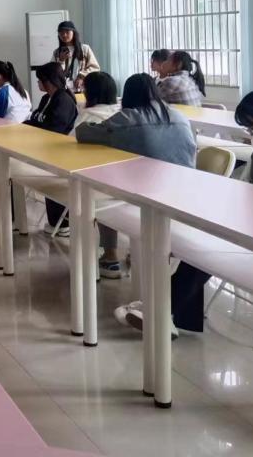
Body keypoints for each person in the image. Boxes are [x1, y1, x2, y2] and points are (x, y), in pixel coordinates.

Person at [77, 74, 204, 333]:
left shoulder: (127, 119)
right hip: (187, 197)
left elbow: (84, 133)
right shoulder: (178, 116)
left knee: (98, 195)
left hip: (147, 200)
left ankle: (112, 259)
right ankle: (172, 314)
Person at [25, 63, 79, 236]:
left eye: (39, 80)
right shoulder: (46, 98)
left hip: (59, 153)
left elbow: (55, 130)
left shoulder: (63, 101)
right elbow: (36, 120)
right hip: (45, 150)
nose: (38, 84)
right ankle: (56, 221)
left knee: (52, 183)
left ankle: (63, 223)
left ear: (48, 81)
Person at [52, 20, 100, 92]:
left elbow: (95, 67)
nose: (64, 35)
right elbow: (52, 72)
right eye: (61, 32)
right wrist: (61, 60)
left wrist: (81, 76)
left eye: (67, 32)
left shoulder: (85, 49)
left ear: (73, 32)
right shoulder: (57, 52)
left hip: (83, 89)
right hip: (63, 90)